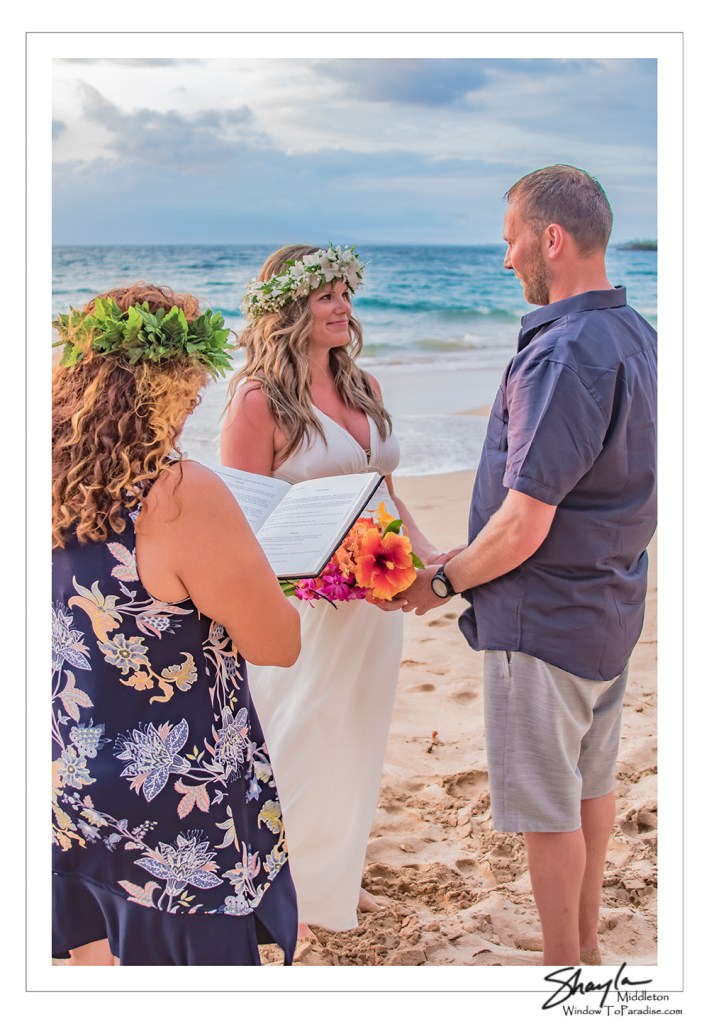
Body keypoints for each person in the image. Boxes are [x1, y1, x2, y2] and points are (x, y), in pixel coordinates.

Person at [396, 165, 657, 966]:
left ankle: (562, 968)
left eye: (511, 238)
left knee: (550, 811)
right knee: (589, 789)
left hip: (543, 620)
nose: (505, 258)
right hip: (608, 608)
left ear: (551, 238)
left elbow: (519, 527)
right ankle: (579, 951)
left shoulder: (564, 353)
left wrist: (439, 581)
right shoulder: (638, 334)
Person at [52, 282, 301, 966]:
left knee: (98, 967)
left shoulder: (35, 475)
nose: (196, 398)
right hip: (173, 806)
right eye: (190, 380)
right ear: (166, 382)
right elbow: (277, 644)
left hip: (69, 782)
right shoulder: (178, 492)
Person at [220, 245, 440, 934]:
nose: (344, 306)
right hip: (304, 610)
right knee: (297, 737)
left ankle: (330, 882)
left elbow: (386, 493)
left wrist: (427, 559)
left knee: (356, 736)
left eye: (347, 292)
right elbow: (244, 524)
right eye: (326, 296)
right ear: (288, 308)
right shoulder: (258, 401)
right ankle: (277, 892)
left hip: (375, 604)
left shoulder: (364, 384)